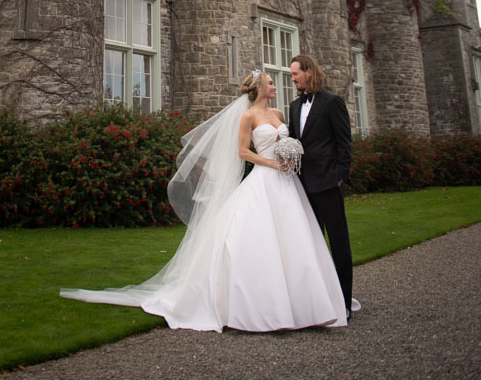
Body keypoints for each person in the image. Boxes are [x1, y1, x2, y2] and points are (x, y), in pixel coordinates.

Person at [60, 70, 347, 332]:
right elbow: (243, 153)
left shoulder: (280, 114)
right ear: (259, 87)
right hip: (265, 178)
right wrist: (272, 164)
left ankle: (306, 305)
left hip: (288, 184)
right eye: (271, 82)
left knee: (297, 240)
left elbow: (292, 143)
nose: (276, 85)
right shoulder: (247, 117)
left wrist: (289, 157)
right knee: (257, 240)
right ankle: (266, 308)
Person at [288, 54, 357, 319]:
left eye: (295, 74)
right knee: (313, 243)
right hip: (304, 184)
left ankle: (344, 302)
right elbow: (295, 141)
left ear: (308, 72)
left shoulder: (332, 102)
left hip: (328, 182)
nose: (292, 78)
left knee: (339, 243)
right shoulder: (295, 106)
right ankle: (319, 299)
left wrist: (340, 175)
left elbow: (344, 143)